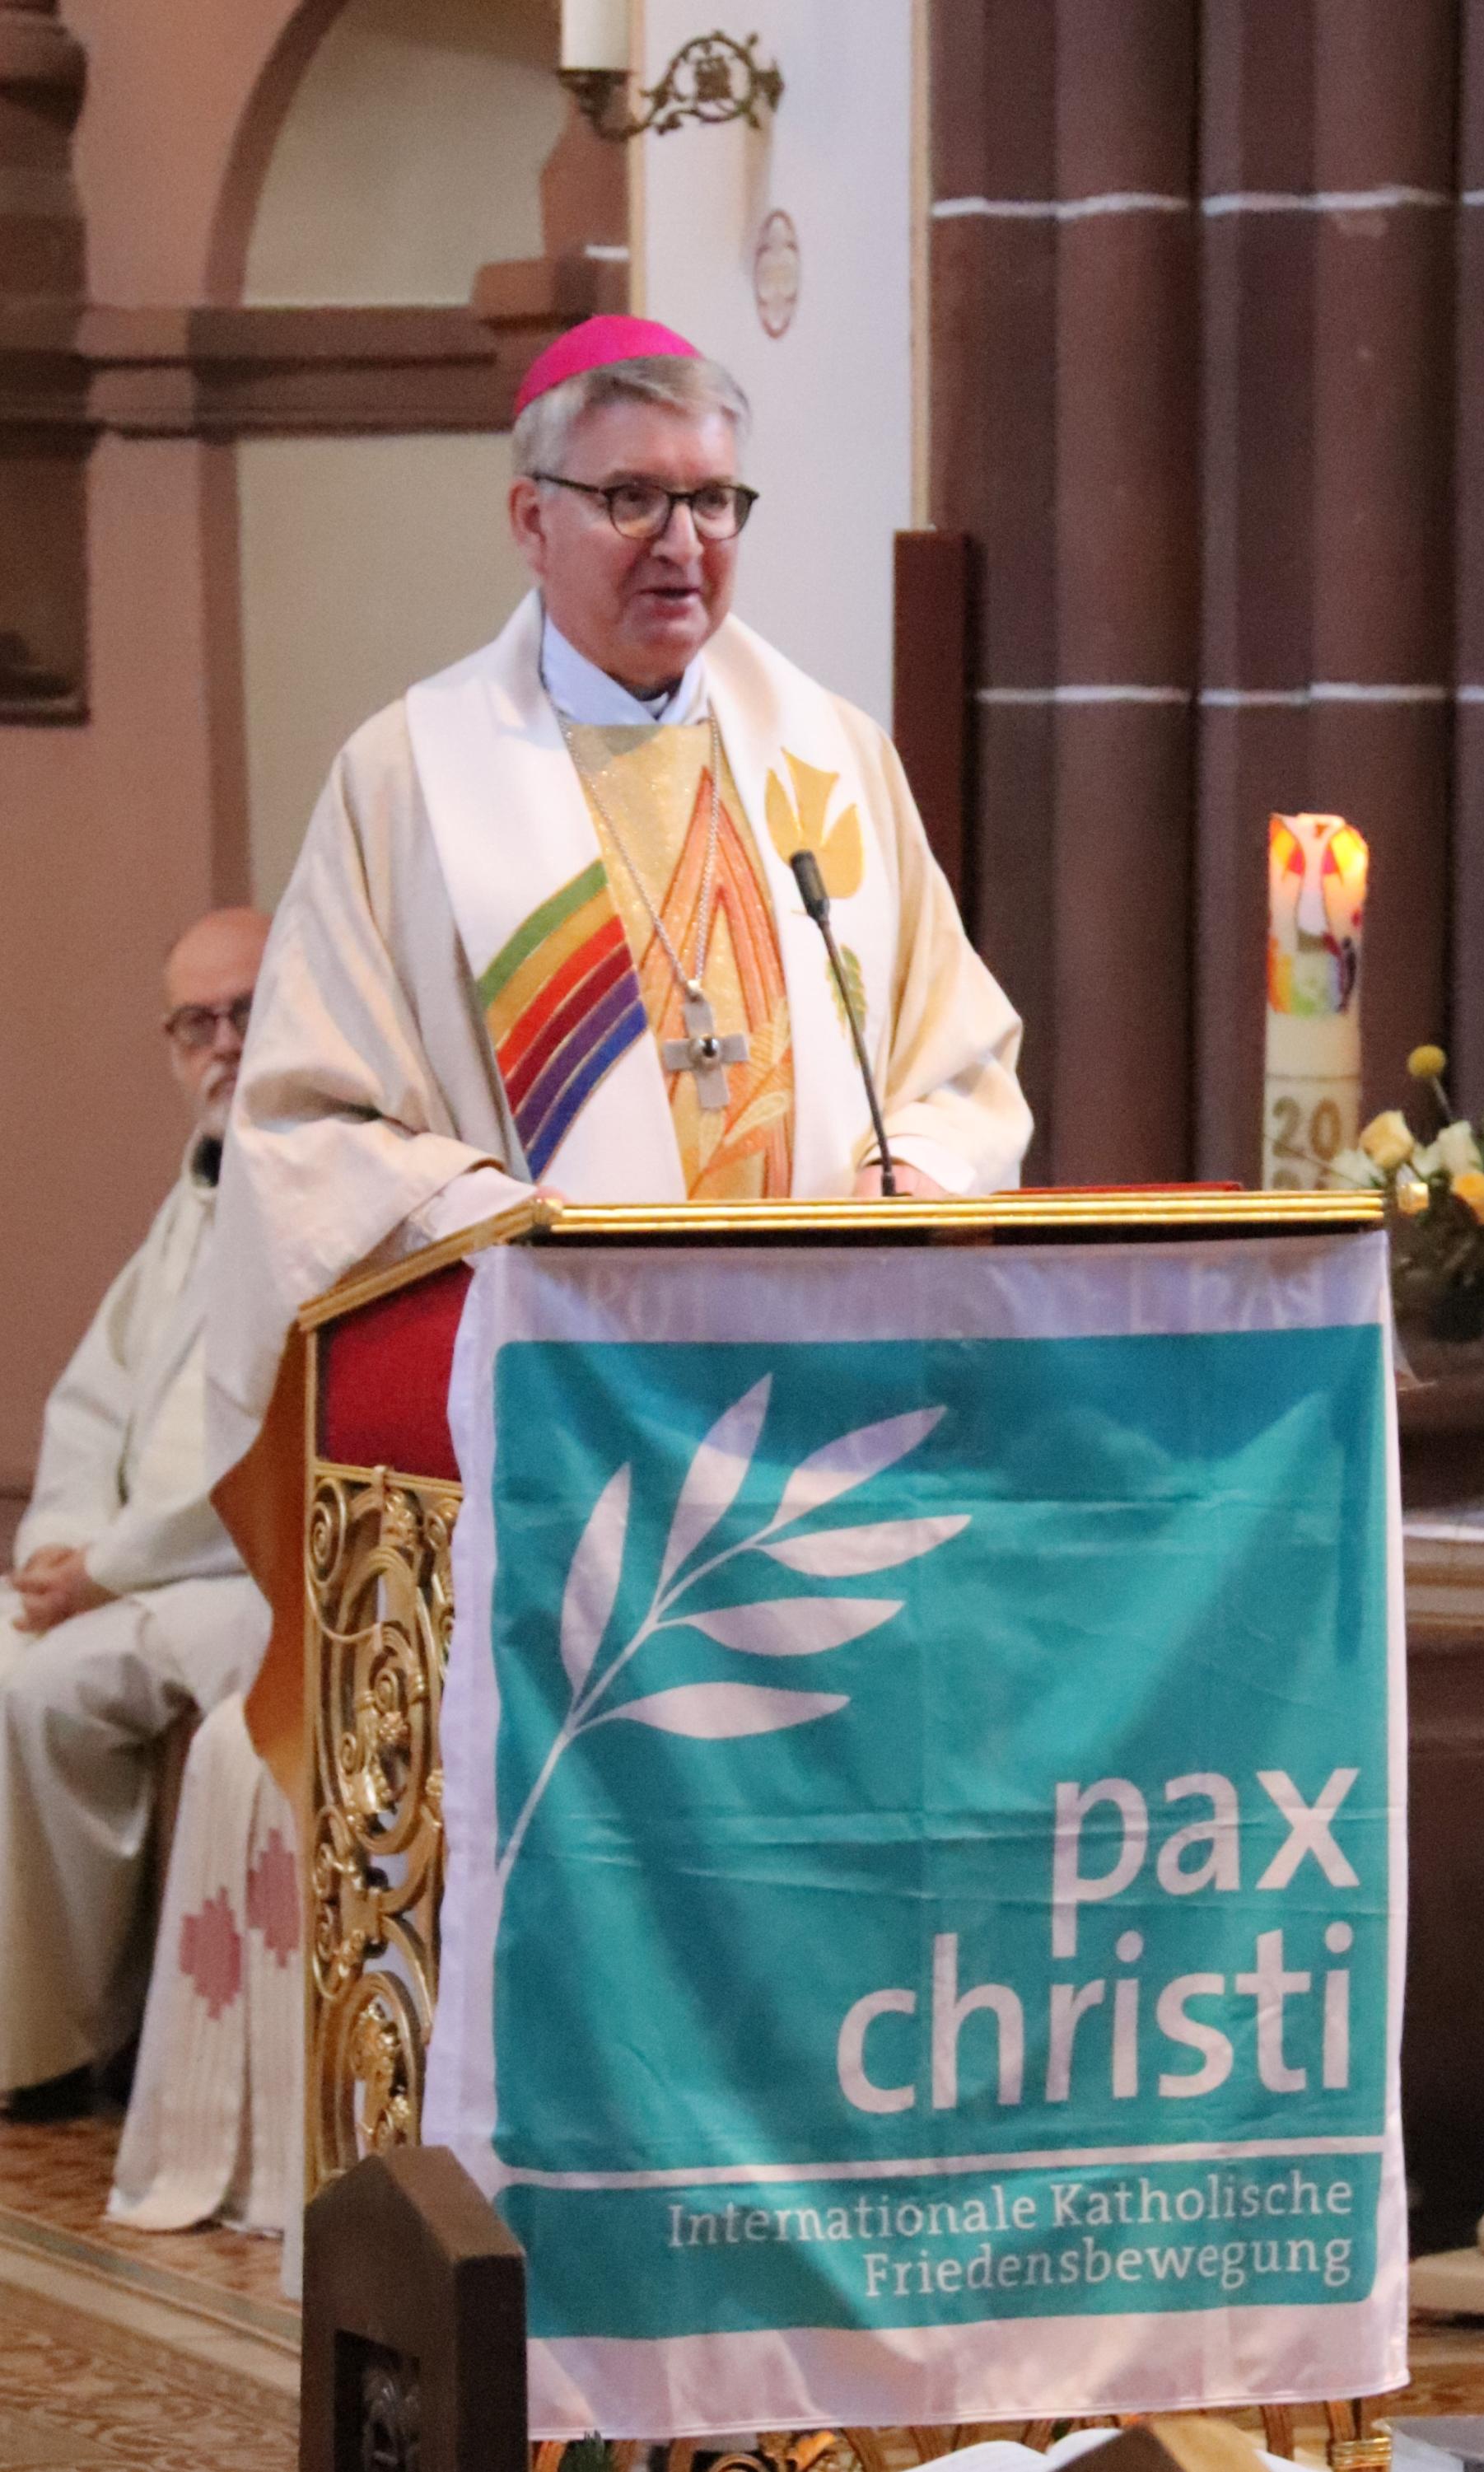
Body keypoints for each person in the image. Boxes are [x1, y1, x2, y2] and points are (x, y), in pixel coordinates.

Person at [206, 313, 1032, 1474]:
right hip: (554, 1423)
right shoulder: (411, 783)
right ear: (530, 519)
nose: (682, 542)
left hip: (829, 1405)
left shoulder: (834, 757)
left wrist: (919, 1170)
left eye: (712, 500)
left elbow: (958, 1061)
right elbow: (309, 1123)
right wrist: (501, 1225)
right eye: (632, 498)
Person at [0, 908, 273, 2116]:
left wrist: (107, 1568)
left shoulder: (316, 1196)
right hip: (137, 1569)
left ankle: (60, 2042)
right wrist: (57, 1543)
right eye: (195, 1023)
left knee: (34, 1688)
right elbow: (94, 1395)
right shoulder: (194, 1197)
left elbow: (267, 1441)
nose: (222, 1045)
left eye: (247, 1013)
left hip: (238, 1577)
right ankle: (33, 2023)